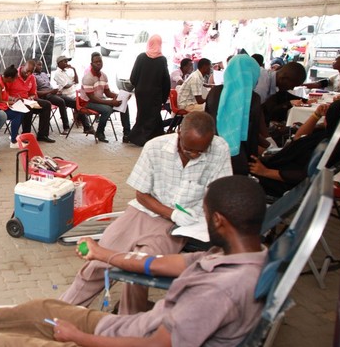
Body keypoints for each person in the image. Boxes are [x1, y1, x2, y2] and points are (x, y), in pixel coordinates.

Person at [0, 175, 268, 347]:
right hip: (126, 326)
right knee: (43, 308)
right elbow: (173, 266)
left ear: (218, 220)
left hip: (123, 341)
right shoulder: (240, 253)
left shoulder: (218, 293)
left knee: (9, 343)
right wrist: (108, 255)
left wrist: (77, 337)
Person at [60, 111, 232, 314]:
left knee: (141, 264)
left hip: (181, 224)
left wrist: (202, 221)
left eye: (200, 152)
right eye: (189, 150)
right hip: (146, 209)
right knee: (98, 262)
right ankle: (61, 313)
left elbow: (219, 192)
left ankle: (127, 318)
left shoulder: (219, 149)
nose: (194, 155)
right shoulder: (155, 148)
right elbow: (141, 195)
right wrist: (171, 213)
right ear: (178, 133)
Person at [249, 97, 340, 197]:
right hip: (276, 166)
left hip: (280, 182)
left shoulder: (330, 148)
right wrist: (316, 115)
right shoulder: (334, 136)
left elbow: (305, 176)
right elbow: (298, 137)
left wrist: (264, 172)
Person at [205, 55, 268, 175]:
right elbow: (252, 134)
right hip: (239, 159)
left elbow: (206, 121)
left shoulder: (215, 92)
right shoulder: (253, 98)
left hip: (212, 152)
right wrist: (253, 158)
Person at [128, 35, 171, 146]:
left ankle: (142, 137)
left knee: (142, 114)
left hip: (141, 93)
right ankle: (145, 138)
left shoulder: (141, 57)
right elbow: (166, 80)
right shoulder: (162, 60)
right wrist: (164, 97)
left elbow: (133, 77)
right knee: (152, 115)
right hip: (155, 94)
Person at [79, 52, 131, 143]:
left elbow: (107, 93)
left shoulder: (104, 76)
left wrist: (122, 96)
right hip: (87, 102)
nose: (99, 63)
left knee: (124, 105)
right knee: (107, 109)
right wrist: (110, 103)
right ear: (91, 64)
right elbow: (92, 98)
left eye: (100, 61)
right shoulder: (88, 78)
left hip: (99, 100)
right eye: (96, 62)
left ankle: (127, 134)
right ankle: (99, 132)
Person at [4, 60, 55, 143]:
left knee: (46, 104)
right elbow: (5, 93)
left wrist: (31, 97)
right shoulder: (14, 75)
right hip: (14, 102)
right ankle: (25, 135)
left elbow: (33, 93)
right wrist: (14, 99)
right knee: (28, 107)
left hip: (27, 100)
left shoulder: (32, 77)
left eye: (31, 72)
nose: (28, 73)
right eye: (27, 71)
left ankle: (43, 135)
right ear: (23, 66)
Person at [51, 55, 92, 134]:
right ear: (59, 63)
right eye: (65, 61)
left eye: (67, 61)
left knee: (84, 101)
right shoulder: (57, 73)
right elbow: (66, 86)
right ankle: (86, 126)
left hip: (73, 93)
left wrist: (74, 69)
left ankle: (86, 126)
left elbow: (77, 81)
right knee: (78, 104)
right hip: (64, 94)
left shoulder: (68, 71)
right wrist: (72, 82)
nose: (67, 63)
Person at [0, 65, 26, 148]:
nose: (15, 80)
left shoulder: (2, 81)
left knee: (20, 112)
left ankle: (14, 136)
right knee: (18, 114)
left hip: (0, 105)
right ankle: (13, 140)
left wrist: (14, 99)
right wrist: (11, 102)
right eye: (14, 78)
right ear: (9, 77)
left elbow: (4, 96)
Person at [33, 60, 71, 134]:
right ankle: (66, 127)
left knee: (72, 101)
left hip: (52, 92)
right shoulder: (33, 76)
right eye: (39, 65)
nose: (41, 67)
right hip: (45, 95)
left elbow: (49, 85)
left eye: (41, 65)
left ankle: (87, 126)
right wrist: (50, 92)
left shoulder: (44, 74)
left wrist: (55, 90)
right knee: (61, 102)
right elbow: (36, 93)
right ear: (34, 66)